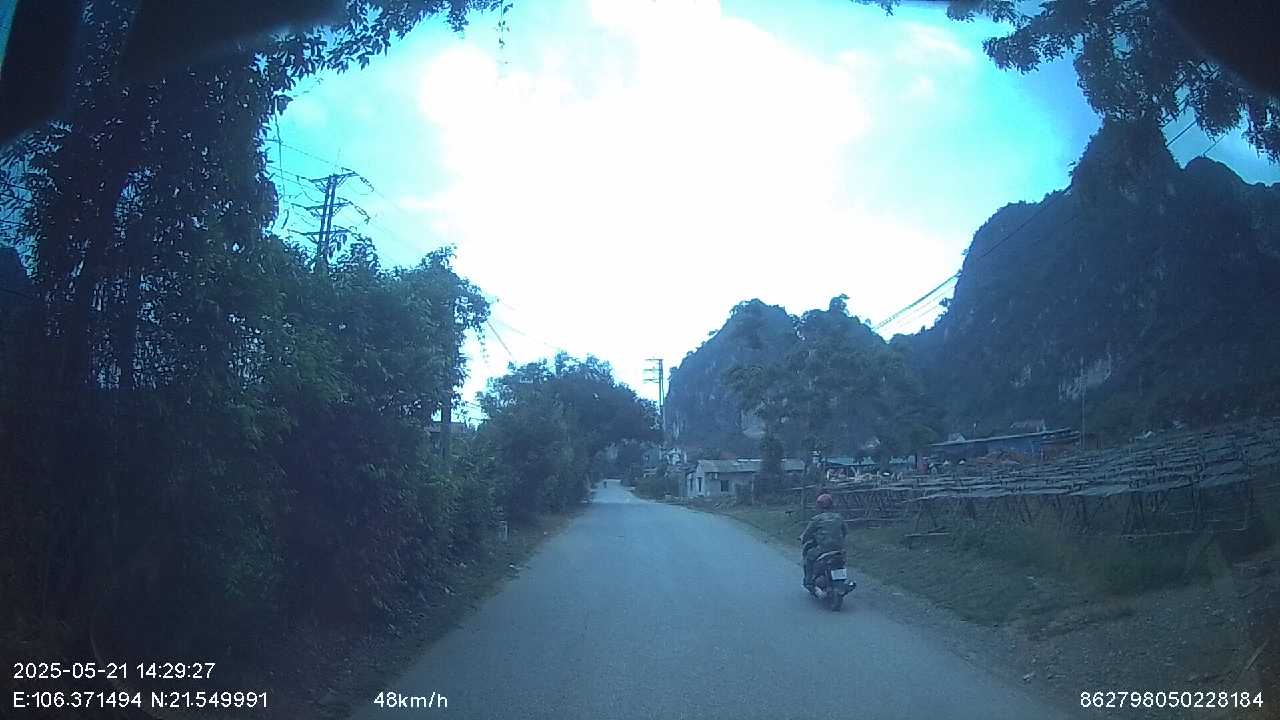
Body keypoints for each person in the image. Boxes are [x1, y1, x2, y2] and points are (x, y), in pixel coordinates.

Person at [799, 493, 846, 589]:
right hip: (839, 550)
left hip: (823, 549)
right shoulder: (839, 517)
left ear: (819, 506)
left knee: (809, 558)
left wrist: (802, 538)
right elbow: (845, 531)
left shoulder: (817, 519)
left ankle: (809, 581)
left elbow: (807, 533)